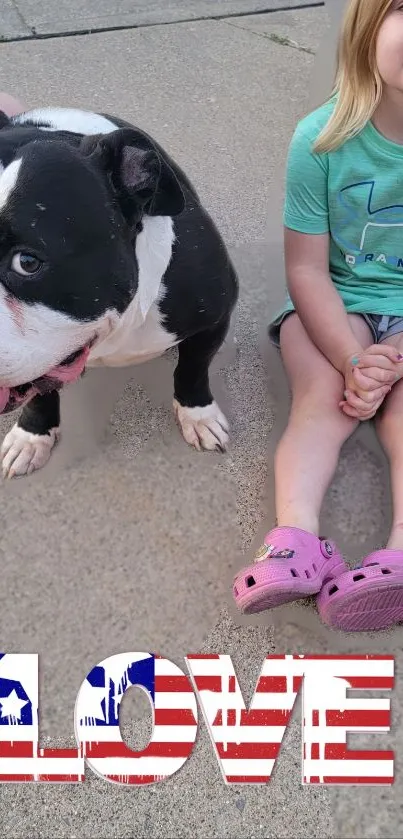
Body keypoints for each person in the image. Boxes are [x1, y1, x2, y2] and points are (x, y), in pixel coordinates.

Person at [233, 0, 403, 632]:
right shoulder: (321, 138)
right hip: (334, 301)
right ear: (367, 21)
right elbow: (306, 269)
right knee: (321, 401)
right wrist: (355, 361)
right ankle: (293, 541)